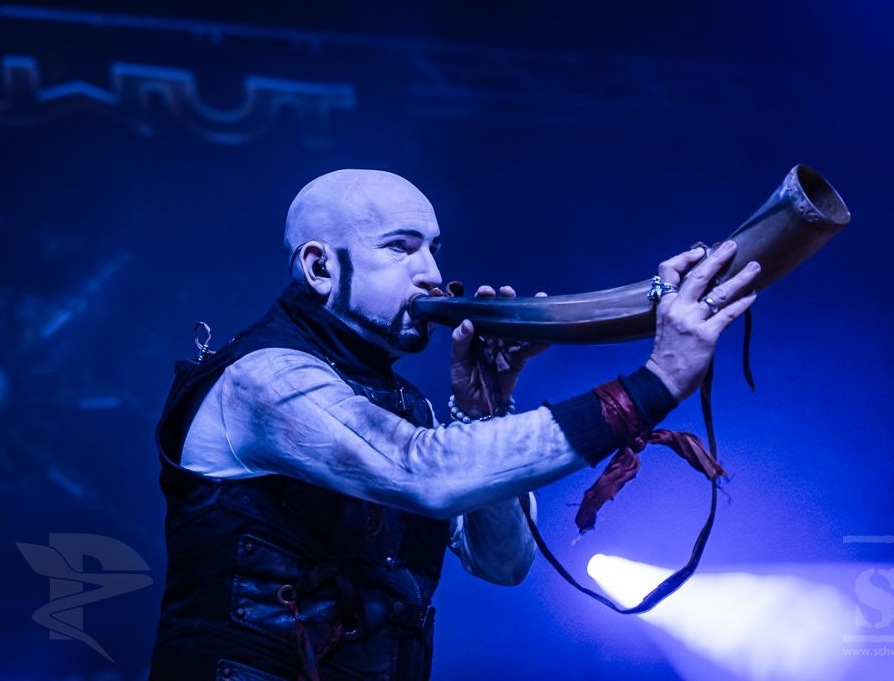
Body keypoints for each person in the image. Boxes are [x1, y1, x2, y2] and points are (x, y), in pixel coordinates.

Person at [149, 169, 759, 680]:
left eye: (433, 249)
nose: (431, 274)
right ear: (320, 268)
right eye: (399, 247)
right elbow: (423, 472)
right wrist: (652, 384)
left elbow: (504, 562)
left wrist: (484, 409)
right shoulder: (263, 380)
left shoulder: (400, 403)